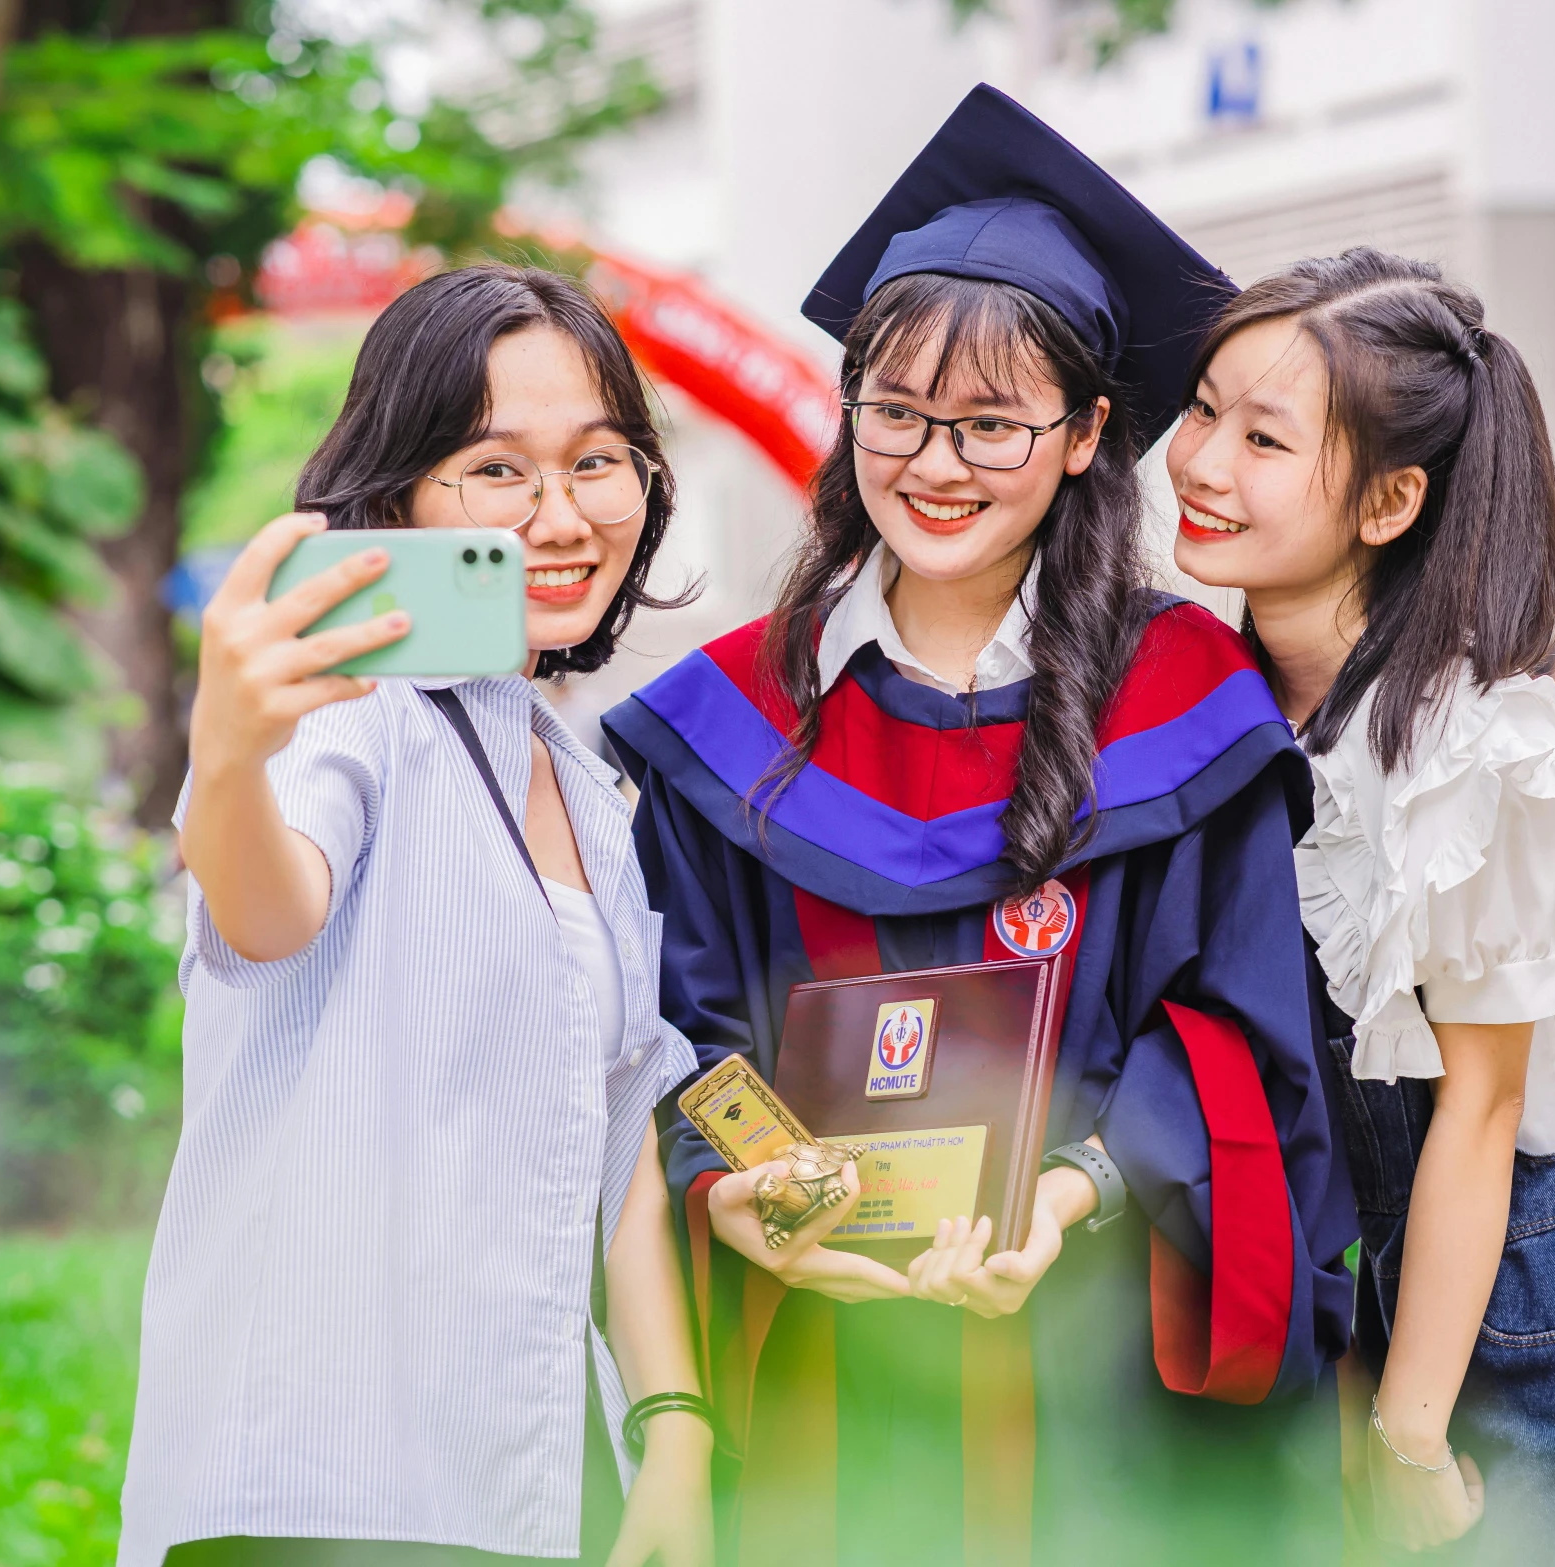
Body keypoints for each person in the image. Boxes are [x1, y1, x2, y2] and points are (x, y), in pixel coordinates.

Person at [602, 87, 1356, 1567]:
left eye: (991, 423)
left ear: (1084, 436)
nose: (933, 463)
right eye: (895, 410)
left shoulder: (1184, 700)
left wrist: (1071, 1188)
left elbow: (1246, 1031)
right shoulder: (729, 716)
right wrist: (743, 1184)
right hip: (823, 1357)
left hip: (1101, 1370)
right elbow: (670, 1027)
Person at [1167, 249, 1555, 1563]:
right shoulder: (1250, 700)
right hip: (1439, 1291)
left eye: (1262, 437)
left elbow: (1482, 1107)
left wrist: (1397, 1433)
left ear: (1390, 500)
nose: (1202, 462)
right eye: (1202, 409)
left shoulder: (1470, 754)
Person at [119, 266, 712, 1567]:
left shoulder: (593, 790)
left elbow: (614, 1137)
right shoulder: (351, 714)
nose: (561, 515)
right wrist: (223, 755)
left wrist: (674, 1428)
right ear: (398, 497)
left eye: (599, 460)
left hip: (543, 1474)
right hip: (323, 1484)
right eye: (497, 469)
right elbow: (268, 904)